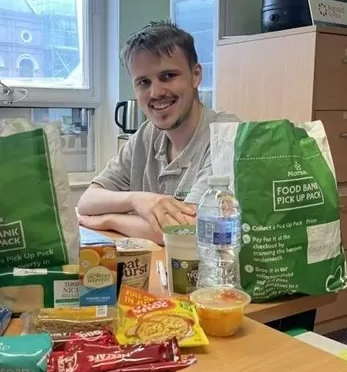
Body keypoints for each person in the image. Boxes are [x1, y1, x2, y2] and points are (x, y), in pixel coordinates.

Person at [77, 20, 238, 244]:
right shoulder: (146, 135)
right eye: (144, 82)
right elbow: (87, 202)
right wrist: (138, 200)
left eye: (168, 76)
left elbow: (189, 229)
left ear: (196, 75)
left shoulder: (226, 135)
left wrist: (109, 220)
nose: (156, 92)